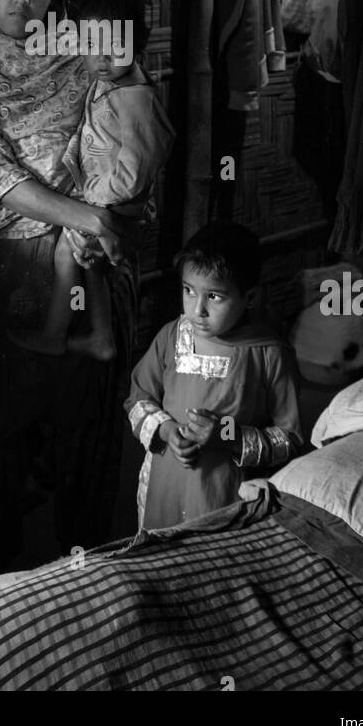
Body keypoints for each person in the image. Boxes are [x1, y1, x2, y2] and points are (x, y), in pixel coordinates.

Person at [0, 0, 138, 563]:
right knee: (1, 433)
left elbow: (126, 122)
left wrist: (106, 216)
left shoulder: (85, 50)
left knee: (81, 419)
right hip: (2, 267)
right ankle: (6, 580)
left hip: (86, 259)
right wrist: (84, 216)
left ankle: (83, 570)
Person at [11, 0, 175, 361]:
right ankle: (101, 337)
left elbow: (136, 171)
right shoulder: (111, 81)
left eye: (114, 47)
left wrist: (94, 202)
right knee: (90, 262)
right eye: (91, 46)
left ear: (137, 44)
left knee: (70, 254)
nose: (101, 59)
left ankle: (57, 333)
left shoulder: (138, 102)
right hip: (103, 198)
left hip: (116, 202)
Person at [125, 221, 302, 531]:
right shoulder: (171, 337)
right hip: (165, 483)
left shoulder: (269, 354)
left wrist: (228, 436)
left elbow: (290, 439)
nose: (197, 310)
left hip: (225, 495)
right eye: (189, 291)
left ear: (249, 297)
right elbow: (138, 399)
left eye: (215, 297)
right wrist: (167, 431)